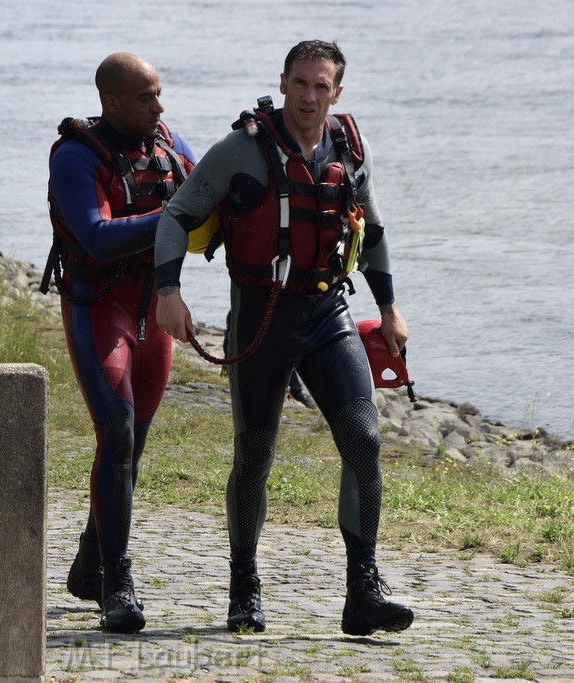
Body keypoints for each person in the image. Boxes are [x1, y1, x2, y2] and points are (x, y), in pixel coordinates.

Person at [154, 39, 413, 636]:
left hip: (327, 313)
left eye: (322, 86)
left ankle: (363, 592)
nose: (310, 96)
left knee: (364, 441)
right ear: (284, 82)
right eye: (301, 83)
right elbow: (176, 216)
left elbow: (371, 231)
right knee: (254, 457)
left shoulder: (348, 145)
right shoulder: (242, 150)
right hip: (261, 319)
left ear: (337, 92)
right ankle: (244, 586)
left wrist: (391, 310)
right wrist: (170, 291)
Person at [42, 52, 196, 633]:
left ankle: (89, 561)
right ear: (110, 101)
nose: (160, 107)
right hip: (98, 305)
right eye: (145, 98)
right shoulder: (77, 157)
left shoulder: (168, 143)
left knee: (133, 442)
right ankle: (117, 582)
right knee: (119, 426)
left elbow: (214, 193)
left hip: (152, 312)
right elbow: (100, 238)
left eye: (159, 94)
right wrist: (178, 213)